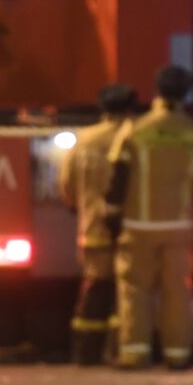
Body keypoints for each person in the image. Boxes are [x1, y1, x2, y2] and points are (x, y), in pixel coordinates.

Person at [104, 65, 193, 369]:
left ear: (156, 91)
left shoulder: (134, 130)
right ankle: (177, 354)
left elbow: (117, 180)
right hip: (180, 228)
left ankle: (134, 353)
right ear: (186, 94)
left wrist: (111, 218)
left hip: (137, 227)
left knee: (134, 289)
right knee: (177, 291)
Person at [57, 83, 138, 365]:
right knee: (126, 294)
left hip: (93, 229)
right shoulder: (136, 137)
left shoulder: (85, 140)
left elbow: (67, 185)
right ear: (131, 108)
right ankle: (120, 349)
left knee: (95, 289)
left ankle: (86, 353)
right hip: (131, 231)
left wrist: (82, 209)